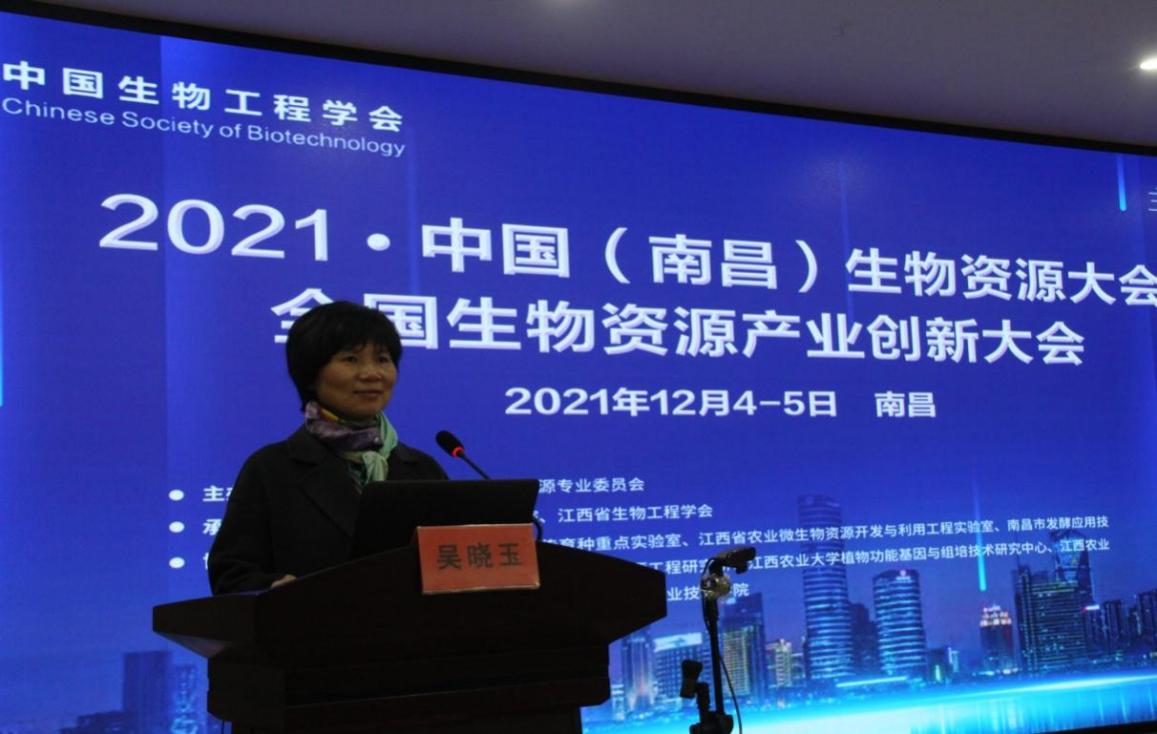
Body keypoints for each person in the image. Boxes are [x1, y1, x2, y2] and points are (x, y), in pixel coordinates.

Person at [208, 301, 446, 594]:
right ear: (311, 374)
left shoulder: (422, 469)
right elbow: (231, 575)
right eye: (351, 359)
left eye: (382, 359)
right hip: (312, 623)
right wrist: (275, 589)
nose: (372, 373)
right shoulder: (271, 469)